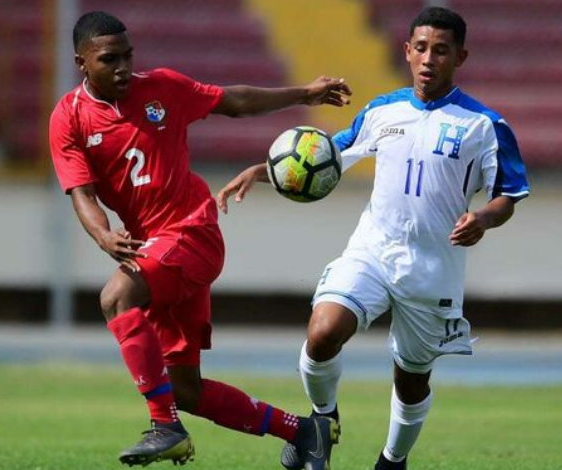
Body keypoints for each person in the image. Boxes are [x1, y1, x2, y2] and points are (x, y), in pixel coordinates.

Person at [217, 6, 530, 470]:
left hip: (432, 268)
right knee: (322, 333)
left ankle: (392, 460)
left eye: (441, 50)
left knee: (412, 379)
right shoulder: (383, 111)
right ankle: (323, 424)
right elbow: (324, 156)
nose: (429, 59)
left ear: (460, 57)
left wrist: (482, 219)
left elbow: (509, 194)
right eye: (420, 48)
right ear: (406, 51)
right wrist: (263, 171)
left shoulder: (484, 126)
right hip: (373, 252)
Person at [48, 11, 352, 469]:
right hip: (156, 250)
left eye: (128, 56)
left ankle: (164, 428)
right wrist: (103, 234)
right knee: (185, 390)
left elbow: (238, 101)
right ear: (81, 63)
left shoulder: (164, 87)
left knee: (116, 297)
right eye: (109, 60)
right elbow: (81, 192)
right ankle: (305, 431)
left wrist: (304, 94)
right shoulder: (68, 118)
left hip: (192, 233)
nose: (123, 68)